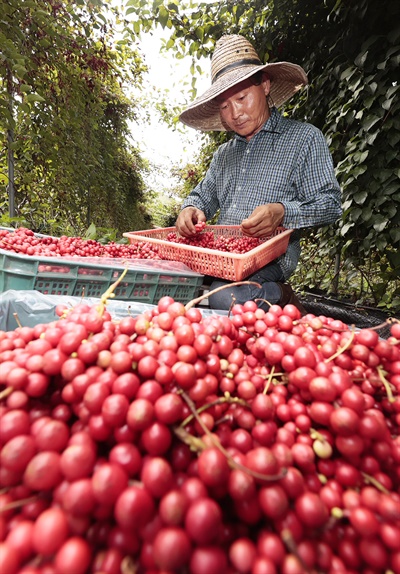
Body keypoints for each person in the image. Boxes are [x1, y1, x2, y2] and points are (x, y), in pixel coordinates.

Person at [175, 34, 342, 314]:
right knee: (163, 280)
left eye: (241, 98)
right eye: (225, 106)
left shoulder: (304, 139)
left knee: (226, 300)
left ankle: (281, 294)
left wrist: (282, 212)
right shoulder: (225, 154)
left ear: (264, 85)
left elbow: (330, 205)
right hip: (222, 257)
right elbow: (202, 196)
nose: (235, 113)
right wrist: (190, 209)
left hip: (268, 262)